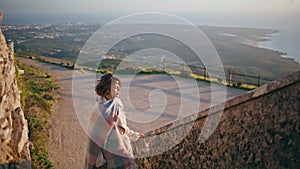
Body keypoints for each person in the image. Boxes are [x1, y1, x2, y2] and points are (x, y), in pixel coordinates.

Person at [85, 73, 144, 169]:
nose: (119, 89)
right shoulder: (101, 109)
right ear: (108, 89)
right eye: (116, 87)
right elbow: (96, 136)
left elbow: (123, 128)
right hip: (108, 154)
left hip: (118, 145)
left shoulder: (115, 105)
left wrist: (135, 135)